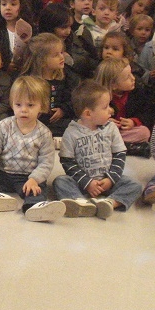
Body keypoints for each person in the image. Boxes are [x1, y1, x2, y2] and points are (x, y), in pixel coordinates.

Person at [0, 75, 65, 222]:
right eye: (18, 105)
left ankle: (34, 207)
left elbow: (46, 162)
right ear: (12, 104)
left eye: (30, 105)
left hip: (28, 178)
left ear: (41, 106)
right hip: (4, 173)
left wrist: (35, 179)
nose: (23, 110)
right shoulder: (4, 126)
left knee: (39, 191)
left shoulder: (44, 133)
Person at [53, 80, 143, 217]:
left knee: (135, 185)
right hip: (82, 182)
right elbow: (67, 162)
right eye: (105, 107)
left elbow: (119, 155)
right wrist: (87, 182)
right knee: (60, 182)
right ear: (88, 114)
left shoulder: (111, 128)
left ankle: (110, 203)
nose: (111, 111)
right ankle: (80, 203)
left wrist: (110, 179)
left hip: (108, 180)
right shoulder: (71, 132)